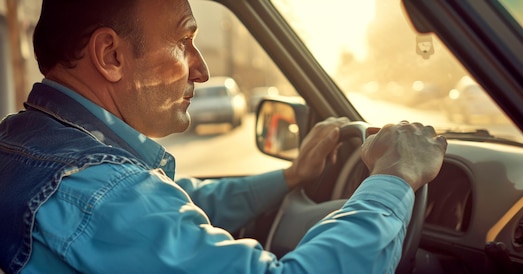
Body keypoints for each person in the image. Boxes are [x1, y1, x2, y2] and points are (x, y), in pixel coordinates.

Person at [0, 0, 447, 273]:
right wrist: (394, 178)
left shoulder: (23, 142)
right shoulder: (98, 191)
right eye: (184, 40)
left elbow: (186, 199)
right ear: (111, 55)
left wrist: (291, 177)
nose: (201, 69)